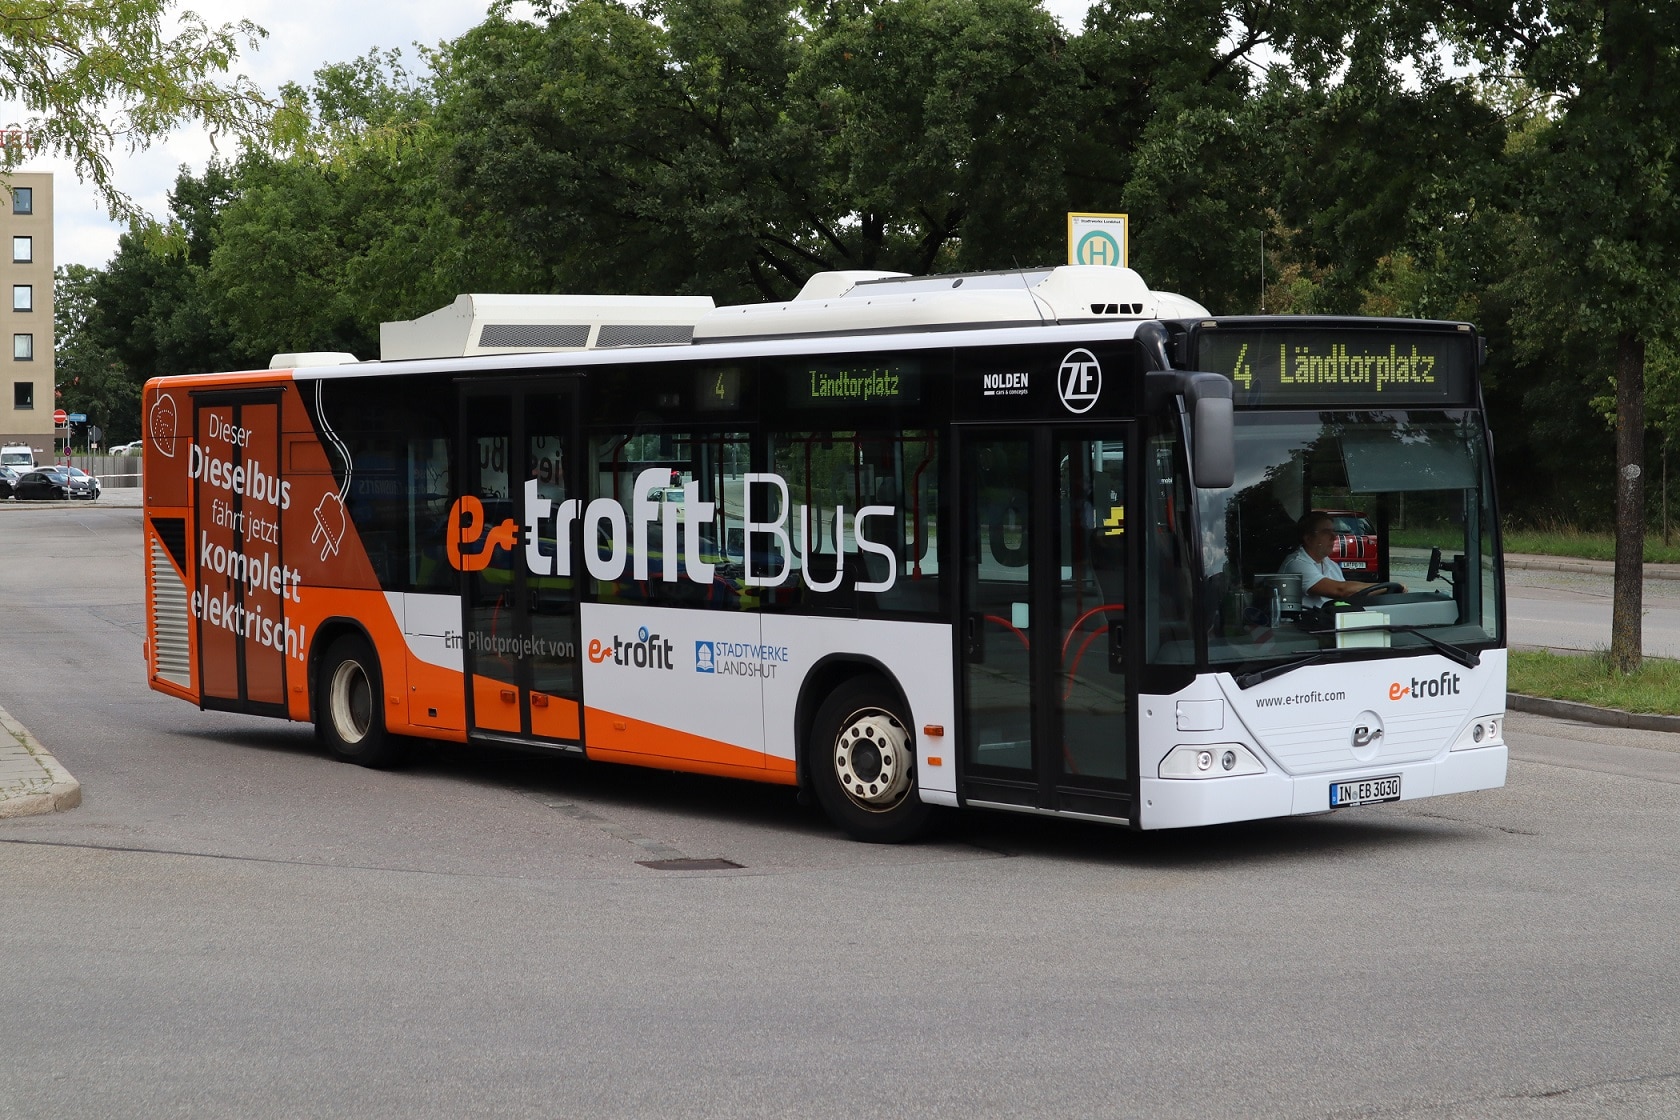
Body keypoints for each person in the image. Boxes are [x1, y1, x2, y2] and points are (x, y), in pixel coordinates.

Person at [1280, 511, 1401, 608]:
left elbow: (1351, 594)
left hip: (1325, 624)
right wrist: (1385, 587)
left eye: (1334, 531)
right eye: (1326, 532)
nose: (1334, 537)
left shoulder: (1330, 564)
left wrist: (1387, 589)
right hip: (1299, 631)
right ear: (1308, 538)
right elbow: (1340, 590)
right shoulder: (1297, 564)